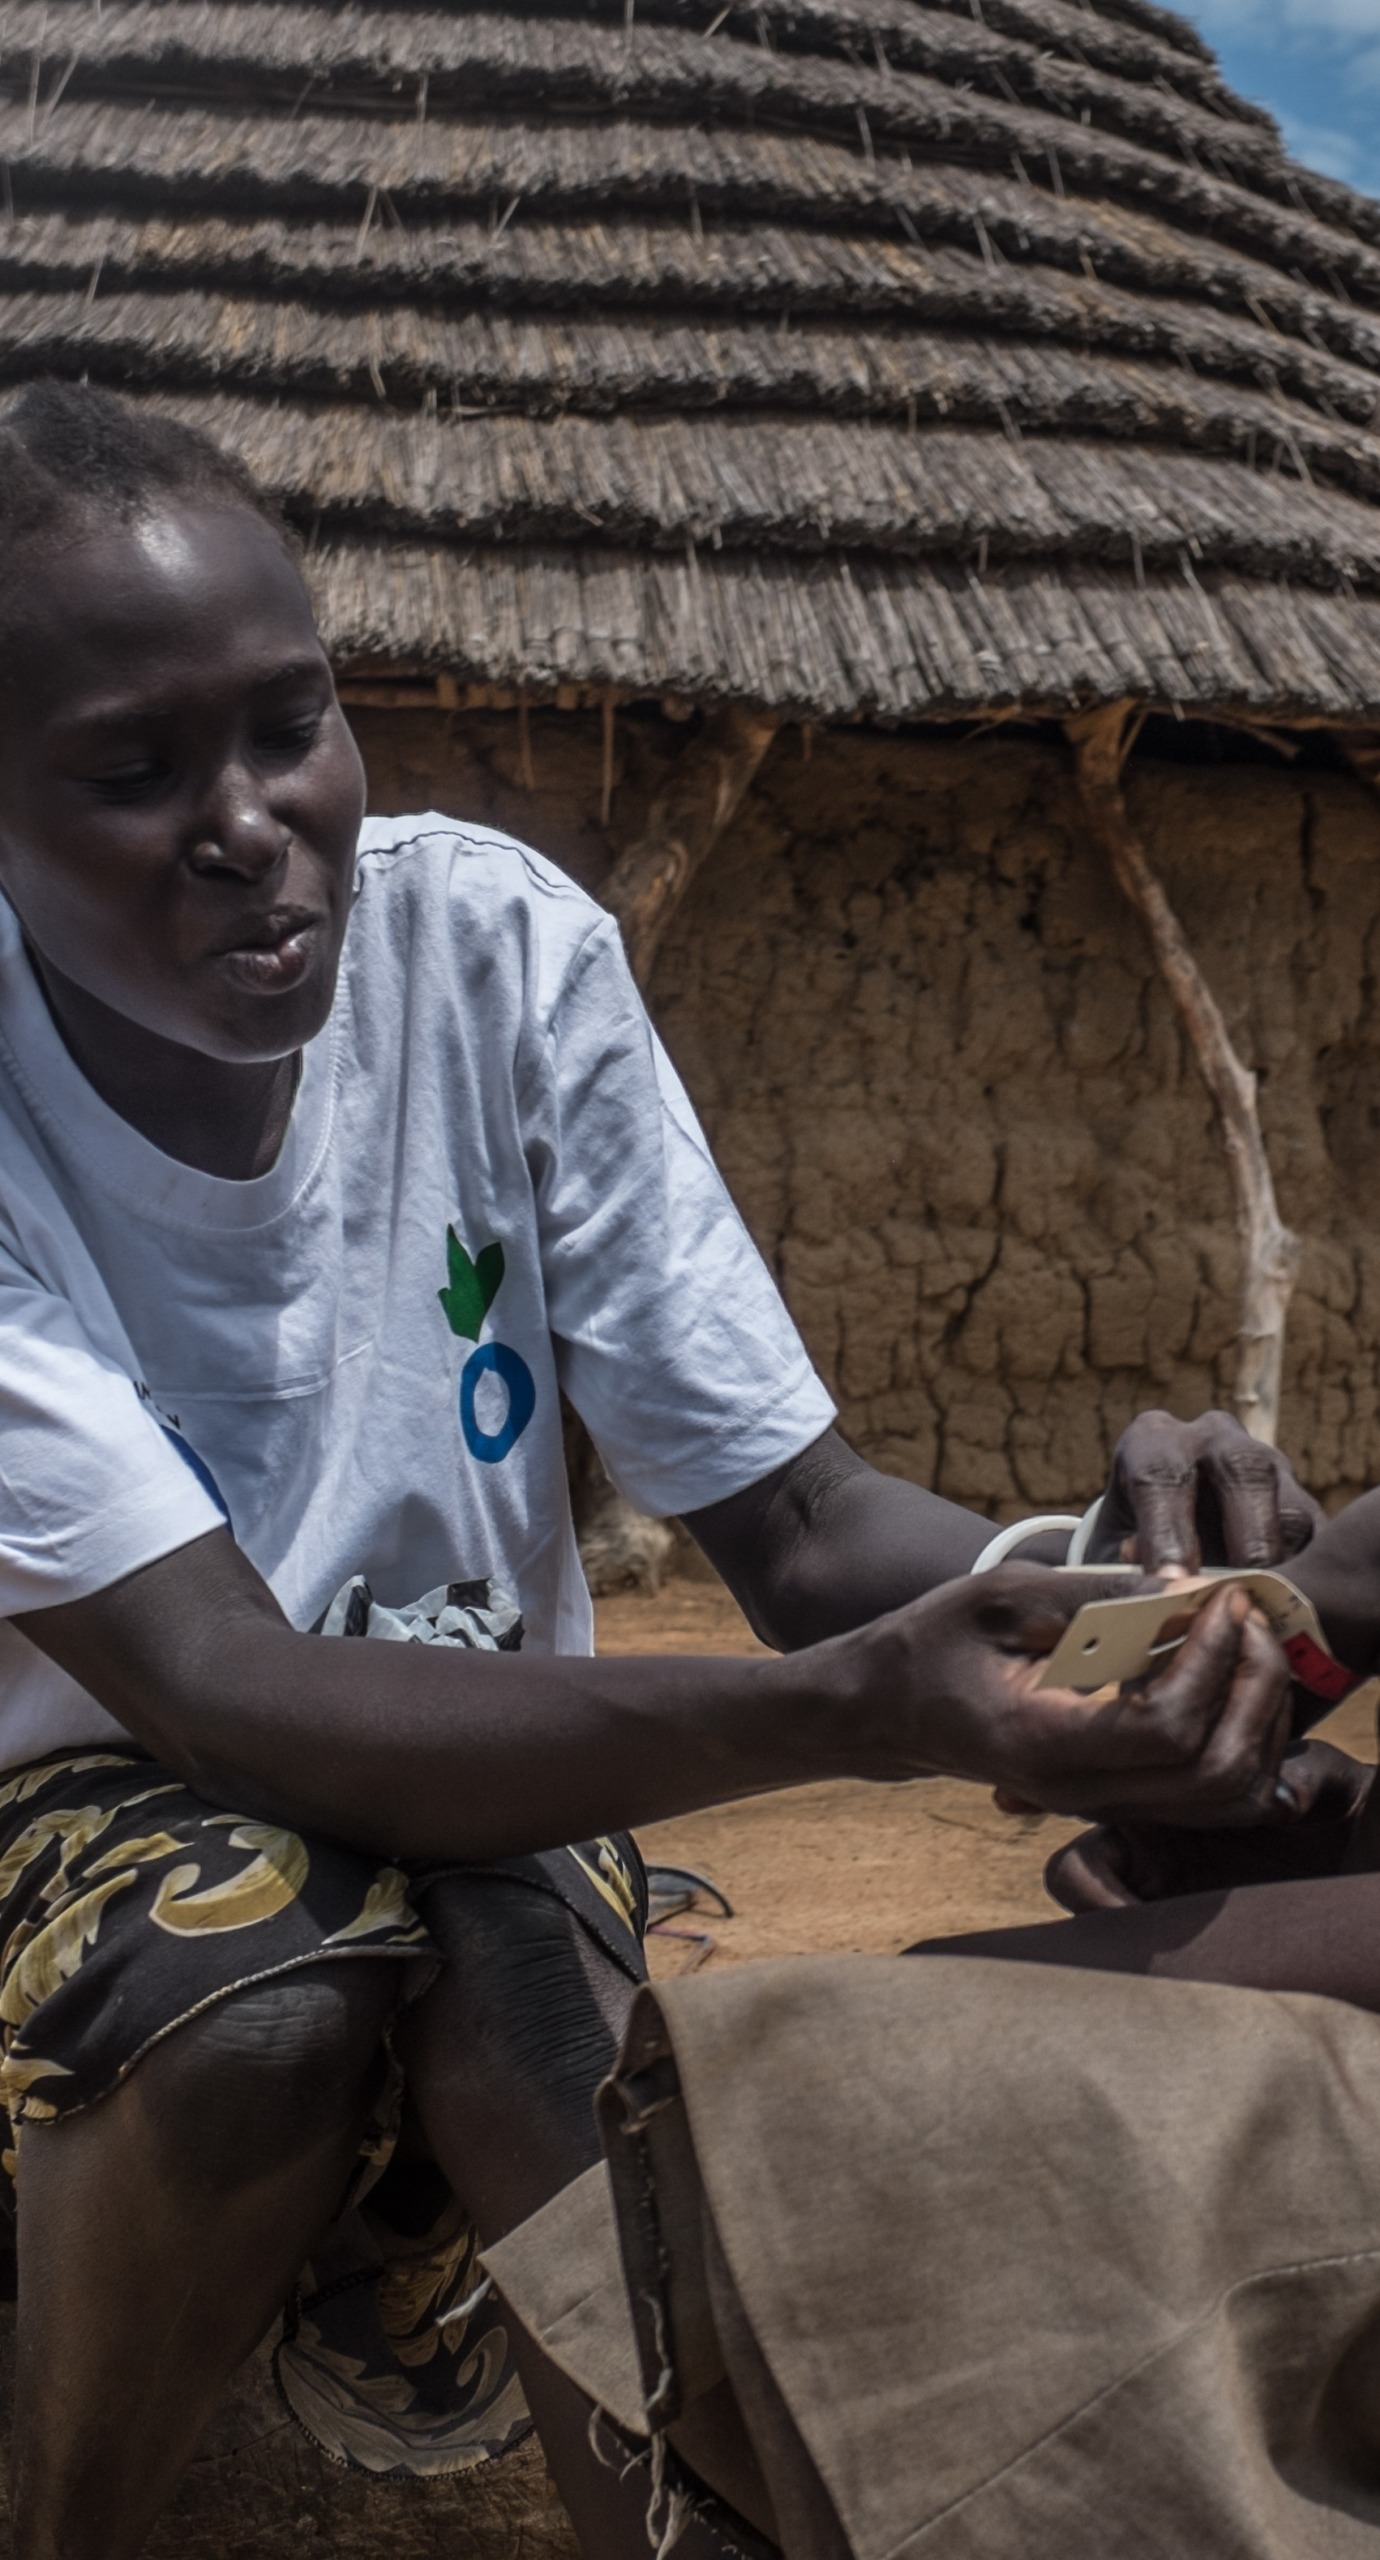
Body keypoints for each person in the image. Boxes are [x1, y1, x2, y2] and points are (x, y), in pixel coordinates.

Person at [0, 380, 1315, 2560]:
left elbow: (801, 1534)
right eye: (133, 770)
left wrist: (1130, 1585)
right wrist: (858, 1715)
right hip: (86, 1785)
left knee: (557, 2022)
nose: (252, 821)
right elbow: (228, 1689)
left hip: (505, 1748)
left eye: (293, 722)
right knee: (259, 1990)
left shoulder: (493, 956)